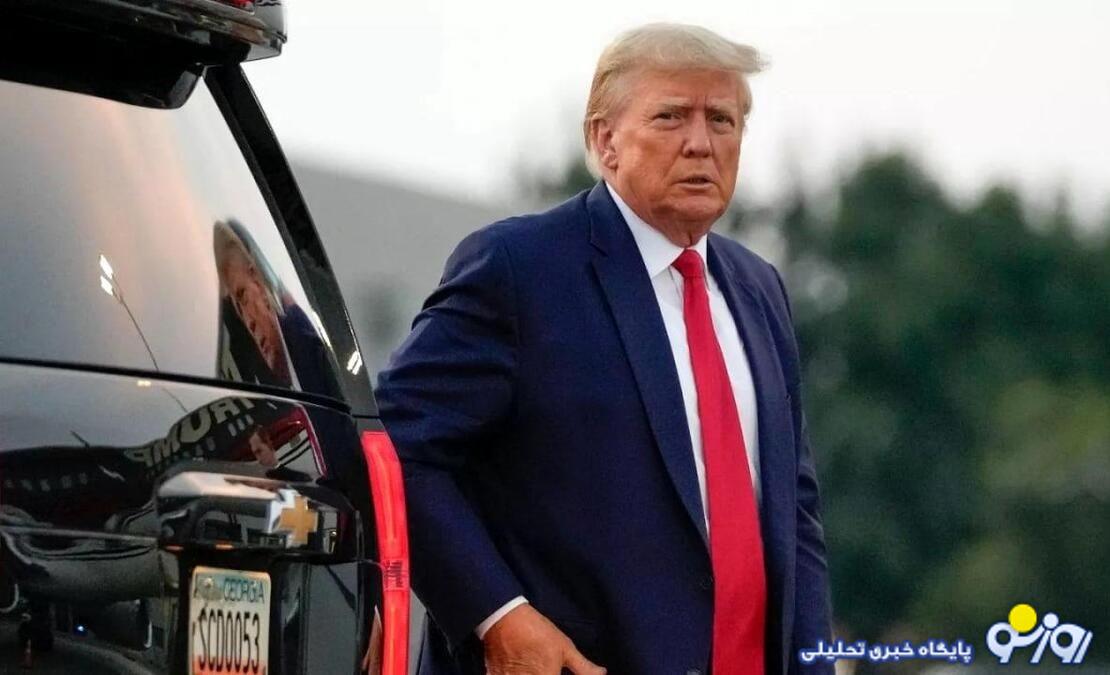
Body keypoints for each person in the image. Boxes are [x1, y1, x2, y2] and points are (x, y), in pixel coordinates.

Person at [377, 23, 832, 675]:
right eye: (671, 116)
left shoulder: (760, 290)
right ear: (603, 140)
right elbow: (397, 446)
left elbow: (795, 513)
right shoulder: (520, 269)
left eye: (722, 120)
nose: (701, 143)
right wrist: (498, 616)